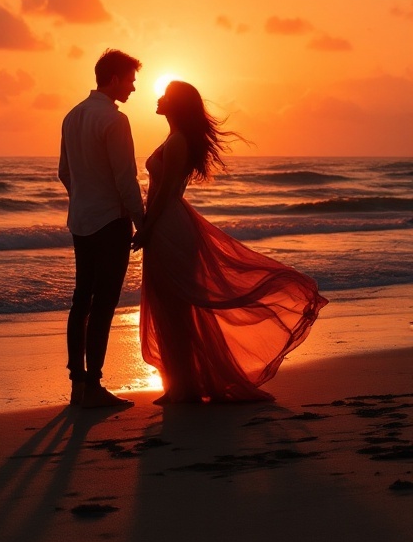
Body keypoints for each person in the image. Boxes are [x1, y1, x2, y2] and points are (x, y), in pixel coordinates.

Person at [133, 81, 327, 404]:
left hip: (169, 227)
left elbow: (166, 193)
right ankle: (181, 385)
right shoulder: (174, 137)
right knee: (171, 307)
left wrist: (146, 228)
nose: (159, 98)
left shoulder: (179, 141)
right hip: (165, 225)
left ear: (176, 104)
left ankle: (183, 387)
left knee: (176, 308)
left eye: (166, 95)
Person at [59, 49, 145, 409]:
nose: (134, 87)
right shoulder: (114, 120)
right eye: (130, 80)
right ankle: (93, 385)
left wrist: (83, 198)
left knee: (82, 299)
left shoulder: (72, 116)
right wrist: (142, 221)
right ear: (113, 80)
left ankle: (77, 382)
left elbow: (65, 172)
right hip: (110, 220)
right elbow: (125, 178)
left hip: (81, 219)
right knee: (105, 302)